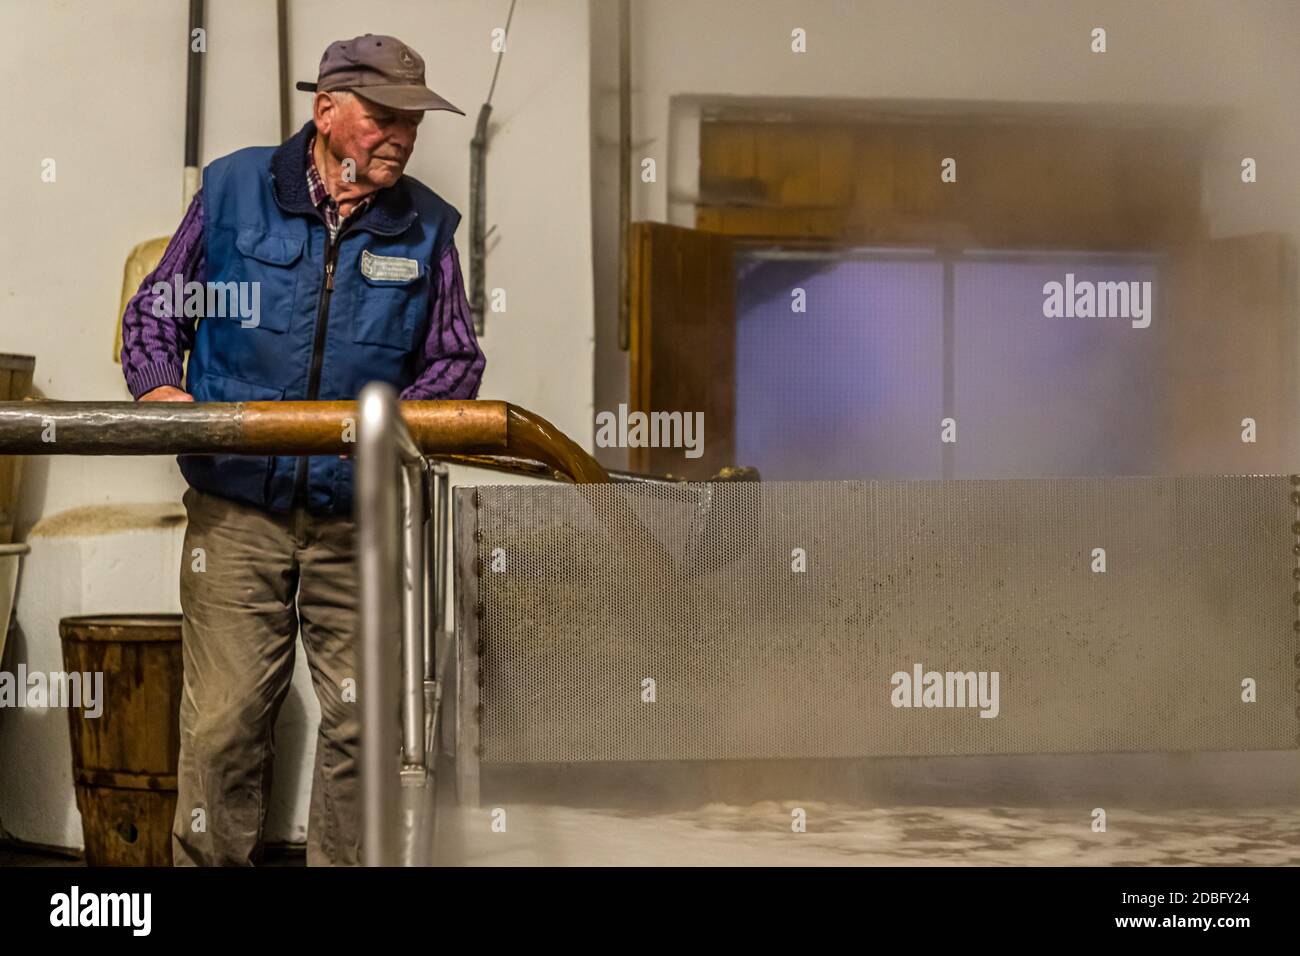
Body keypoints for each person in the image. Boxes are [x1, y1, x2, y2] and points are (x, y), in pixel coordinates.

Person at [118, 34, 485, 866]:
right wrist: (164, 397)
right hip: (237, 514)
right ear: (325, 111)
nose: (401, 135)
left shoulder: (425, 228)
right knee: (221, 727)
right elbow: (154, 316)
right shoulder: (235, 190)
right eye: (383, 116)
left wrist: (390, 438)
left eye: (411, 122)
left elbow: (455, 360)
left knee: (367, 727)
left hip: (360, 524)